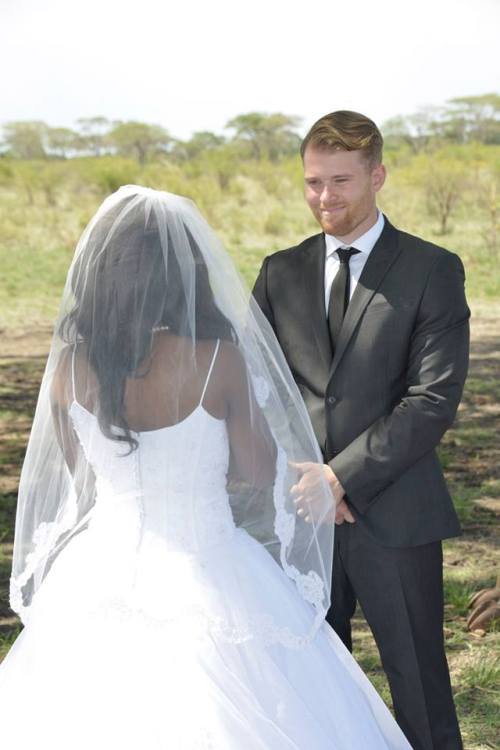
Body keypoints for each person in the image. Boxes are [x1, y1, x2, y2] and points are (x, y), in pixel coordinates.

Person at [0, 185, 410, 748]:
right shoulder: (219, 361)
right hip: (210, 563)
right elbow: (255, 467)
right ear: (186, 277)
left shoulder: (71, 366)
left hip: (99, 568)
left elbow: (80, 475)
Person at [252, 110, 470, 750]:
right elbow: (255, 388)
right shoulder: (278, 271)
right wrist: (303, 479)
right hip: (298, 515)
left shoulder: (433, 269)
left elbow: (432, 399)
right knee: (312, 683)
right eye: (313, 182)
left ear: (378, 175)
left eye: (341, 181)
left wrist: (338, 478)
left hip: (395, 512)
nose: (325, 197)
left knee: (419, 685)